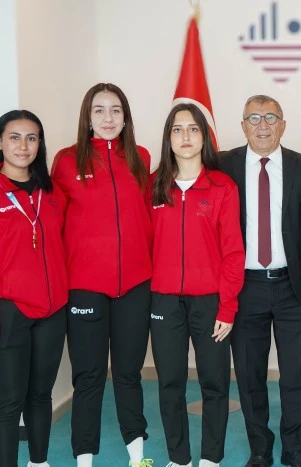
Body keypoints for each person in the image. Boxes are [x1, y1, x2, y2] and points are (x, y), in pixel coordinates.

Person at [218, 95, 301, 467]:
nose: (262, 125)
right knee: (249, 374)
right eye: (254, 118)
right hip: (244, 287)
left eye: (270, 118)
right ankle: (260, 449)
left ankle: (294, 449)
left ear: (283, 124)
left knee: (295, 374)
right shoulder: (223, 165)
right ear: (242, 125)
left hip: (292, 287)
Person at [52, 83, 154, 467]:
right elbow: (54, 223)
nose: (108, 118)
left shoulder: (141, 157)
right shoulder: (66, 161)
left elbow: (148, 217)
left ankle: (137, 457)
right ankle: (84, 460)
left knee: (129, 374)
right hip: (84, 287)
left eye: (115, 110)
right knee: (89, 376)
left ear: (126, 117)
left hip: (135, 285)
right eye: (99, 110)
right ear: (88, 116)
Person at [149, 103, 245, 467]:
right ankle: (179, 459)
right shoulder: (153, 185)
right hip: (164, 301)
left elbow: (233, 252)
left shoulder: (222, 187)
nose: (185, 136)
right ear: (168, 138)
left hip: (211, 302)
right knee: (169, 384)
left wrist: (228, 306)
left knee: (214, 383)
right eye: (177, 129)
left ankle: (210, 458)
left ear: (205, 137)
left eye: (193, 129)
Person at [0, 110, 68, 467]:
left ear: (40, 144)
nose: (23, 146)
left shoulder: (53, 192)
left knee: (41, 395)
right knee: (10, 401)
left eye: (31, 138)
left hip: (52, 310)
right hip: (10, 310)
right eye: (14, 137)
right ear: (0, 142)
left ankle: (39, 462)